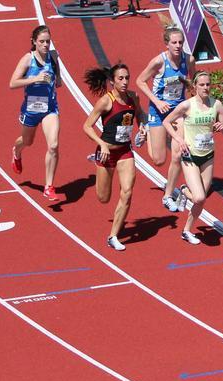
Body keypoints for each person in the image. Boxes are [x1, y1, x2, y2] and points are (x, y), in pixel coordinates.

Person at [83, 63, 146, 251]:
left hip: (125, 151)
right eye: (121, 78)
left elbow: (140, 115)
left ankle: (113, 236)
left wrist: (142, 125)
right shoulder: (106, 101)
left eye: (127, 77)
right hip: (106, 152)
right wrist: (101, 144)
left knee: (127, 191)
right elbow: (86, 126)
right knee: (104, 198)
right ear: (112, 82)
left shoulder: (133, 97)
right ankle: (95, 159)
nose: (125, 81)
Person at [163, 71, 223, 245]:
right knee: (199, 197)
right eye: (202, 85)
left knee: (202, 199)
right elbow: (166, 122)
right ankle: (184, 190)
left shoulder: (217, 105)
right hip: (190, 156)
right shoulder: (187, 105)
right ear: (195, 87)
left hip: (208, 156)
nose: (206, 87)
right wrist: (179, 139)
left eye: (208, 84)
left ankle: (186, 230)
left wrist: (222, 128)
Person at [136, 16, 195, 211]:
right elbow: (140, 81)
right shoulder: (158, 62)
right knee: (159, 160)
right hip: (158, 111)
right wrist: (157, 101)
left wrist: (193, 95)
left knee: (178, 153)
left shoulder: (189, 59)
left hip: (177, 112)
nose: (178, 46)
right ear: (167, 44)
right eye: (174, 43)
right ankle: (146, 130)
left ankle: (168, 195)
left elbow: (193, 82)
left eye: (180, 42)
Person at [9, 25, 62, 201]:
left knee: (53, 145)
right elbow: (13, 83)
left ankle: (49, 186)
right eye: (42, 42)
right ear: (34, 42)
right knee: (27, 141)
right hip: (31, 109)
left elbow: (58, 80)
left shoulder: (53, 57)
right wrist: (35, 79)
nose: (46, 45)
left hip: (49, 108)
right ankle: (16, 152)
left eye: (48, 41)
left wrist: (55, 81)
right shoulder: (27, 59)